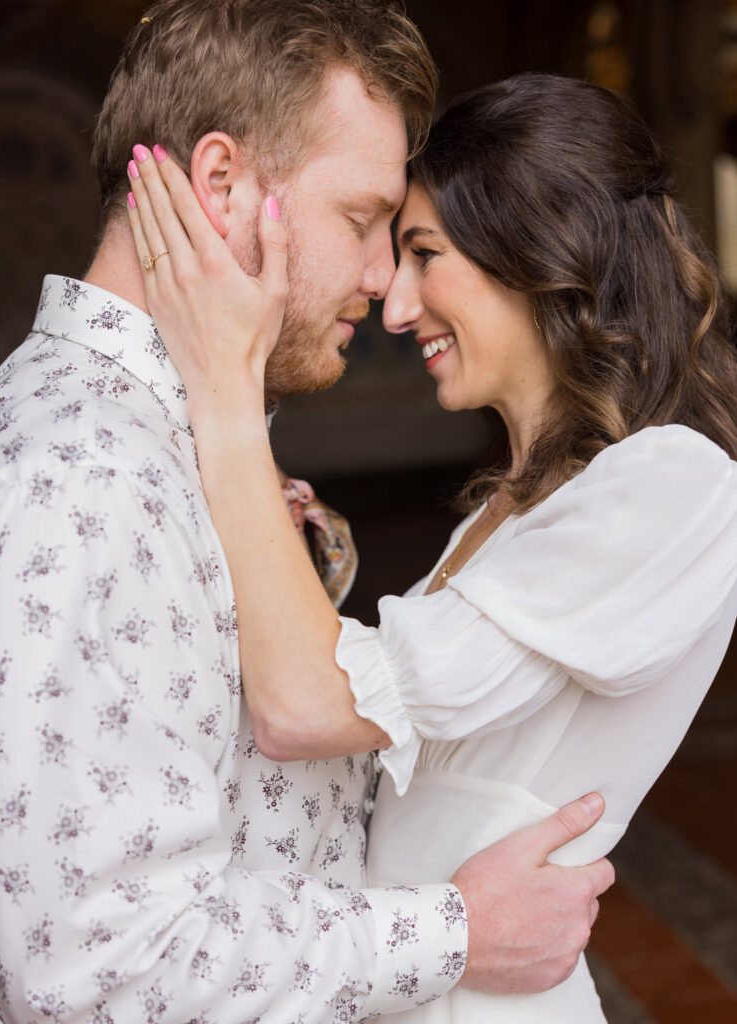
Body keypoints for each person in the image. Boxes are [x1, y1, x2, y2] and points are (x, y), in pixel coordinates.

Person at [0, 7, 613, 1023]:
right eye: (361, 219)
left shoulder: (165, 445)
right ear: (221, 185)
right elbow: (98, 974)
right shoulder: (74, 483)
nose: (385, 281)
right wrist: (460, 927)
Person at [124, 71, 737, 1022]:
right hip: (415, 972)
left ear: (535, 243)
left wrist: (225, 385)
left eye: (422, 253)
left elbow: (304, 709)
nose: (396, 305)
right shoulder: (508, 506)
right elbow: (379, 751)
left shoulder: (674, 485)